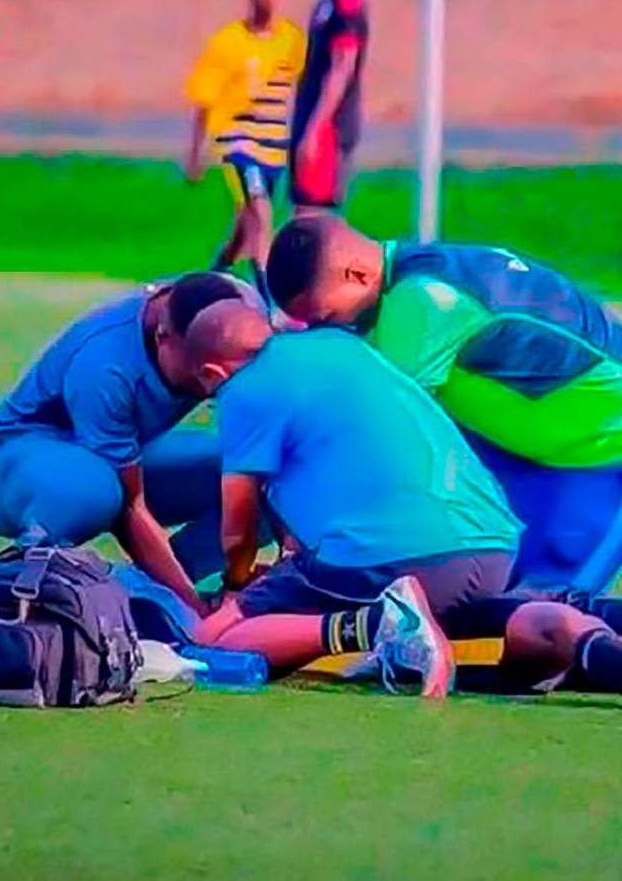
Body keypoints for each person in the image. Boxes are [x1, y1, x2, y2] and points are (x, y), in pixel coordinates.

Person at [189, 300, 622, 700]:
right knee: (518, 624)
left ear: (212, 372)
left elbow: (237, 529)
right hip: (491, 546)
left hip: (393, 554)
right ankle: (600, 639)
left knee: (214, 639)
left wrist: (239, 582)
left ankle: (378, 625)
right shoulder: (342, 345)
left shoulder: (243, 391)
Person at [266, 214, 622, 594]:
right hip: (532, 450)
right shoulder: (418, 272)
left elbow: (379, 432)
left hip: (599, 455)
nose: (329, 330)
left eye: (327, 318)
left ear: (357, 275)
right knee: (489, 589)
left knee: (550, 612)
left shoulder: (421, 302)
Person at [0, 273, 265, 616]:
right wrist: (195, 612)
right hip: (15, 461)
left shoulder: (244, 316)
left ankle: (144, 593)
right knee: (94, 493)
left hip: (120, 455)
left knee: (256, 477)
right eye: (199, 372)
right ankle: (16, 585)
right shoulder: (105, 366)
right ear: (163, 337)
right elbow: (131, 508)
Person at [184, 0, 305, 303]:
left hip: (274, 146)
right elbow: (204, 99)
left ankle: (216, 272)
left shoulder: (292, 40)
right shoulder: (229, 42)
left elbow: (304, 84)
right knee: (260, 210)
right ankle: (269, 298)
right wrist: (196, 153)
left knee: (246, 226)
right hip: (237, 141)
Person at [288, 0, 368, 213]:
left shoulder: (348, 0)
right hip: (311, 117)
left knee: (314, 216)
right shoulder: (325, 4)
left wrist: (315, 129)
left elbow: (341, 68)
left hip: (329, 127)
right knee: (302, 209)